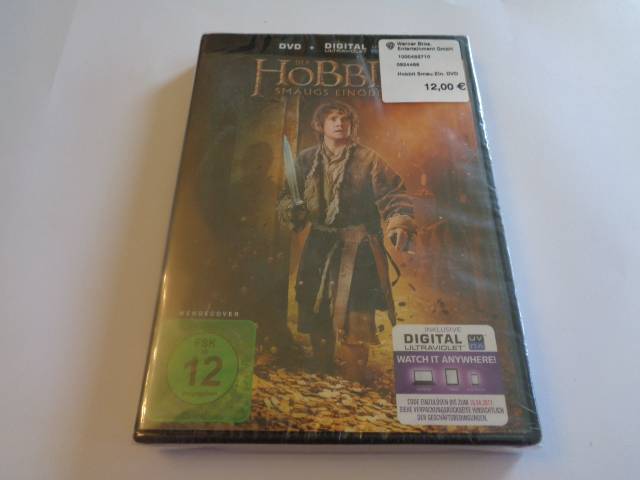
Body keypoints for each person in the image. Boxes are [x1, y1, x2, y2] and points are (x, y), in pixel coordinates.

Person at [277, 101, 415, 384]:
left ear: (352, 125)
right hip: (320, 241)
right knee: (314, 301)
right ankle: (322, 364)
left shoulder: (369, 159)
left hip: (359, 245)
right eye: (333, 119)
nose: (340, 123)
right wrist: (293, 209)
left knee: (358, 307)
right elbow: (287, 196)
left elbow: (393, 193)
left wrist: (399, 220)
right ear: (320, 125)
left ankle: (355, 375)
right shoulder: (305, 159)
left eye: (345, 119)